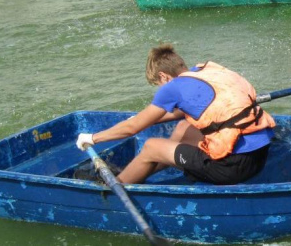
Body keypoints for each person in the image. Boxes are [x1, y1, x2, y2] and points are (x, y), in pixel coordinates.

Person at [75, 44, 276, 185]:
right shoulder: (205, 72)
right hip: (258, 157)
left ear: (163, 76)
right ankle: (143, 170)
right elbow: (184, 113)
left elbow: (131, 129)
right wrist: (147, 119)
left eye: (158, 84)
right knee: (184, 128)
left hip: (231, 168)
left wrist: (92, 138)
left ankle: (116, 187)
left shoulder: (172, 88)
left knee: (151, 146)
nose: (160, 89)